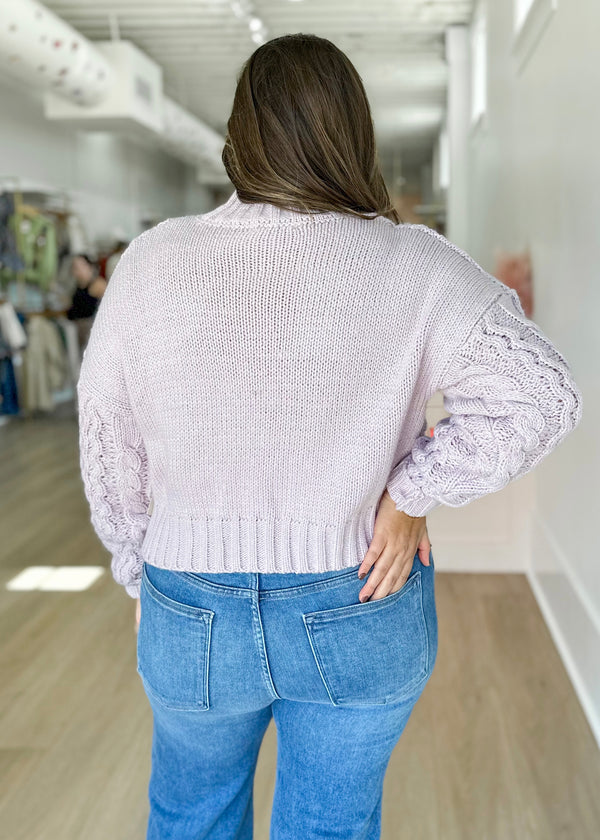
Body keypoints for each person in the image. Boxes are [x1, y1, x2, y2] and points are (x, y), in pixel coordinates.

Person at [76, 33, 583, 840]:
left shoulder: (151, 262)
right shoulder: (415, 263)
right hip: (361, 593)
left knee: (191, 818)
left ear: (239, 136)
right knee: (332, 829)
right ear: (355, 133)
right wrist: (411, 492)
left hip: (190, 605)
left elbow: (108, 436)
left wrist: (138, 570)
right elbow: (543, 396)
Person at [66, 253, 106, 355]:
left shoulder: (98, 285)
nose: (77, 271)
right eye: (75, 268)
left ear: (90, 267)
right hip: (79, 332)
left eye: (80, 266)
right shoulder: (77, 287)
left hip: (94, 333)